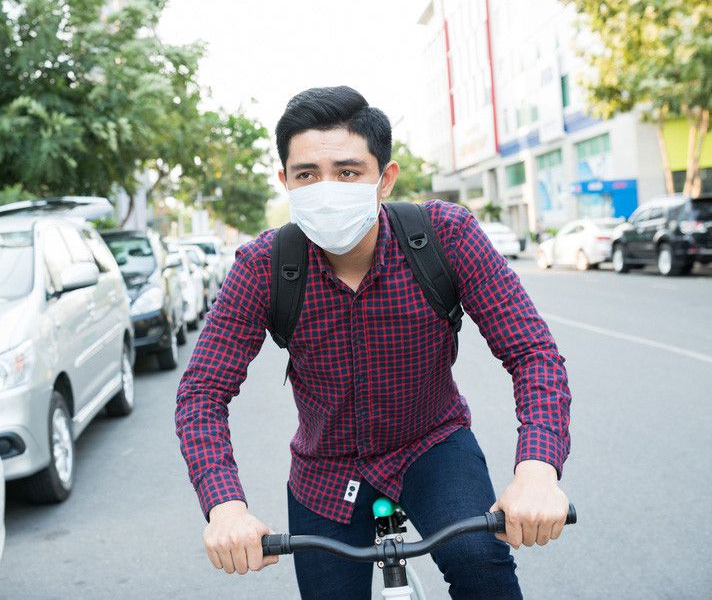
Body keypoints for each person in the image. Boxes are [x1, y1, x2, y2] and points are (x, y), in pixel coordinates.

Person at [175, 86, 571, 599]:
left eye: (347, 172)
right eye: (306, 174)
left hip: (432, 445)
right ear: (285, 182)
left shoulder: (445, 236)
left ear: (384, 178)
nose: (326, 188)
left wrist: (537, 470)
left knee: (480, 563)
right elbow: (202, 393)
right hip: (324, 468)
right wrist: (225, 506)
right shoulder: (262, 266)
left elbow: (533, 353)